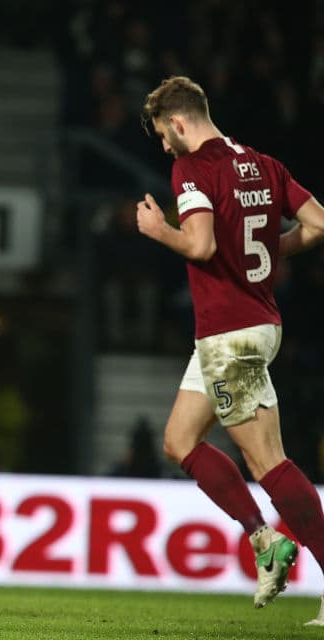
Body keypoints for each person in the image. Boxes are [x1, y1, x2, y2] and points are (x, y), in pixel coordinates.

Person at [136, 75, 324, 626]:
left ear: (177, 122)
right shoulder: (263, 164)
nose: (166, 148)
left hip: (230, 333)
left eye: (163, 137)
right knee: (178, 440)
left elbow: (200, 244)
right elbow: (318, 225)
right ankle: (264, 540)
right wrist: (270, 248)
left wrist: (158, 229)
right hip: (252, 325)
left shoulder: (193, 168)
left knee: (269, 463)